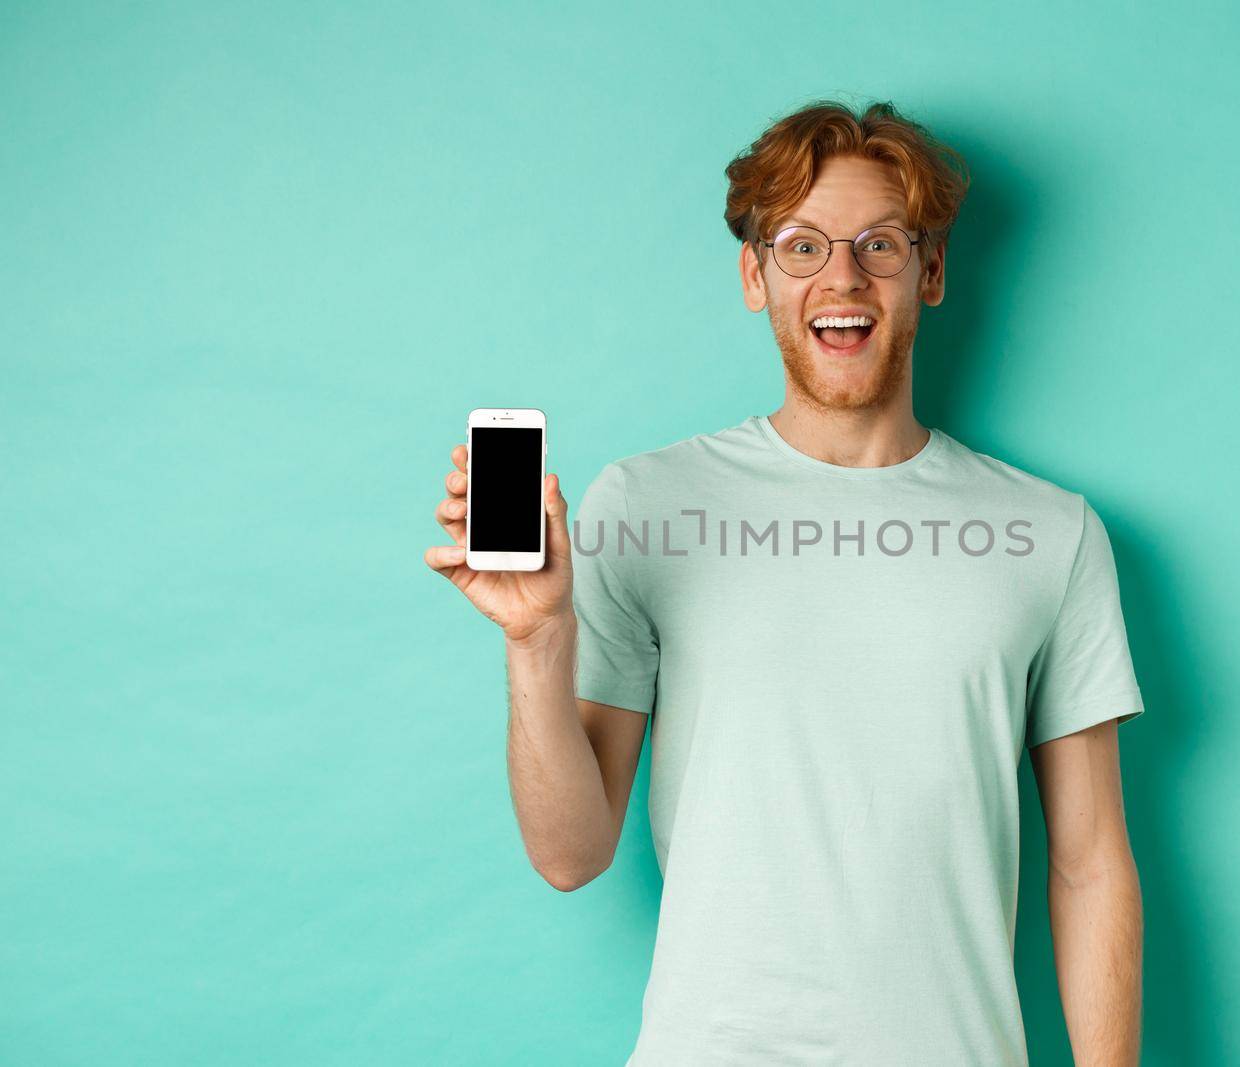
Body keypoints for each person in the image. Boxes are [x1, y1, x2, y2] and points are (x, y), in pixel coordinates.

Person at [425, 99, 1146, 1066]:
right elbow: (569, 853)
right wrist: (535, 641)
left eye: (878, 245)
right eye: (801, 247)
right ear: (754, 274)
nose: (840, 277)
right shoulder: (647, 502)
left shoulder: (1050, 534)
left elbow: (1091, 863)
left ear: (929, 272)